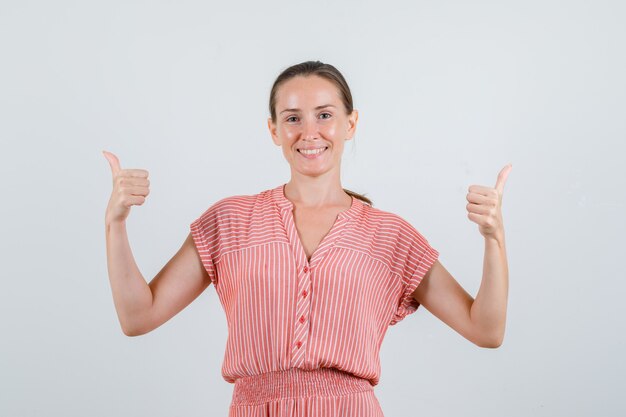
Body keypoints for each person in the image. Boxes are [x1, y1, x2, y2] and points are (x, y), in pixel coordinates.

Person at [103, 60, 511, 416]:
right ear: (274, 130)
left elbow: (485, 329)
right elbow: (139, 317)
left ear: (350, 124)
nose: (309, 132)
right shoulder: (230, 222)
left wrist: (494, 237)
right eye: (293, 117)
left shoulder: (391, 236)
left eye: (324, 114)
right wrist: (115, 224)